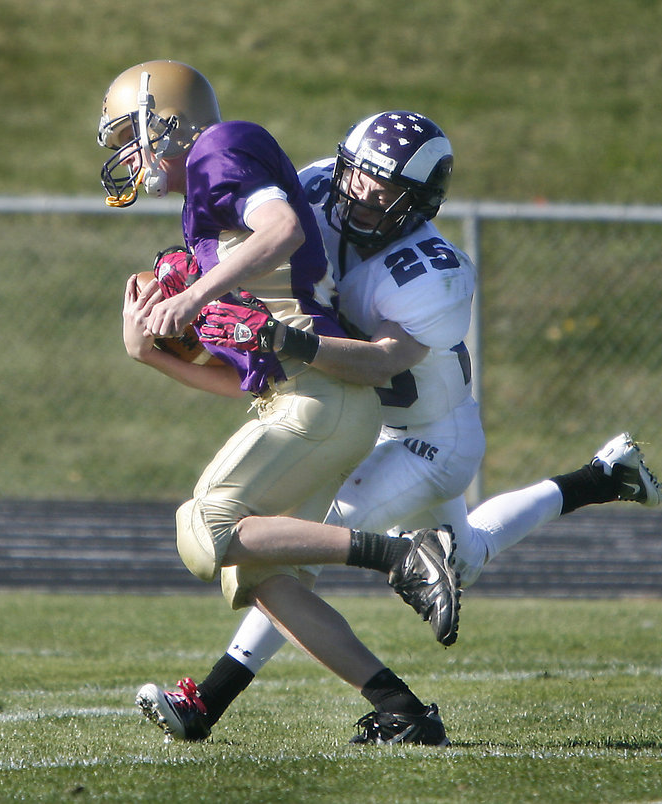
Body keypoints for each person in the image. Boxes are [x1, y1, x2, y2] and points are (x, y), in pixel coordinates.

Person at [130, 109, 662, 744]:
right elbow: (271, 258)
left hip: (431, 438)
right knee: (464, 555)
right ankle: (600, 477)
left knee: (301, 542)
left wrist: (282, 340)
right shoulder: (322, 186)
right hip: (370, 423)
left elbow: (383, 360)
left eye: (385, 193)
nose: (362, 196)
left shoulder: (431, 267)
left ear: (420, 202)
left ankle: (213, 701)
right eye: (359, 178)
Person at [99, 61, 461, 746]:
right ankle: (402, 710)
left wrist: (195, 295)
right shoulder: (205, 195)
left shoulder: (219, 146)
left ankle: (399, 554)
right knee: (259, 576)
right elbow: (248, 381)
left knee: (205, 529)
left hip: (320, 398)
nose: (124, 151)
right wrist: (147, 351)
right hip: (306, 402)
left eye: (128, 132)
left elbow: (281, 231)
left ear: (164, 120)